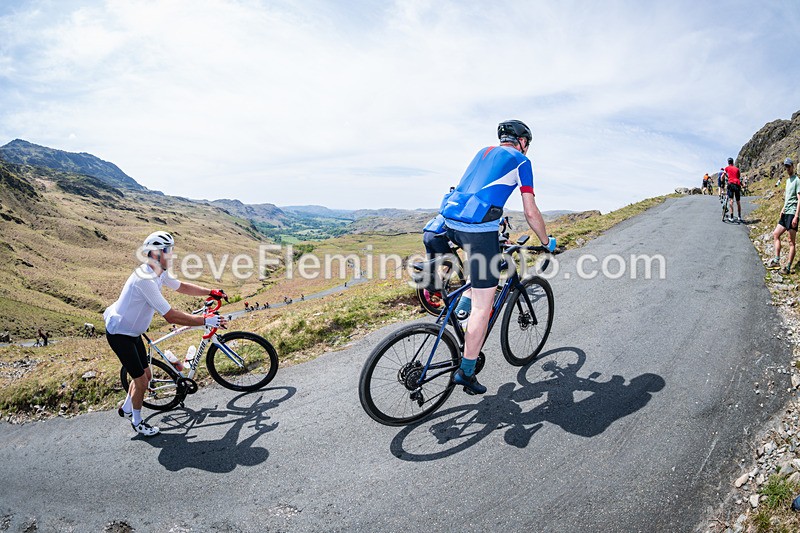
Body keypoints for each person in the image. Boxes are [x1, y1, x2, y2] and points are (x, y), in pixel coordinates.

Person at [438, 119, 556, 395]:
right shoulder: (521, 161)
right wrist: (546, 242)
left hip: (450, 224)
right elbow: (530, 211)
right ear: (523, 142)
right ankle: (466, 371)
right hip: (478, 232)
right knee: (484, 305)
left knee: (479, 275)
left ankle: (460, 312)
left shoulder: (483, 152)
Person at [104, 231, 228, 437]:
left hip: (133, 332)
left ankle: (126, 408)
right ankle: (137, 421)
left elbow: (182, 287)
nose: (171, 254)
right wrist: (205, 320)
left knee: (146, 375)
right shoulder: (144, 279)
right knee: (141, 381)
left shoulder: (158, 271)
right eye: (168, 250)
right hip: (120, 334)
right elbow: (170, 316)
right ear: (155, 253)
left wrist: (209, 291)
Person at [767, 158, 800, 274]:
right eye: (786, 166)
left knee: (791, 242)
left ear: (793, 167)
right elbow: (788, 197)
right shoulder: (787, 181)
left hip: (792, 213)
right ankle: (777, 261)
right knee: (776, 234)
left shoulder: (797, 180)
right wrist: (782, 208)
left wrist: (796, 216)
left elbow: (799, 199)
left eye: (789, 166)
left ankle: (788, 267)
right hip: (785, 212)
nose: (787, 168)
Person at [724, 157, 743, 223]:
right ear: (733, 162)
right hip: (737, 184)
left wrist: (722, 179)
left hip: (731, 184)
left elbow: (723, 175)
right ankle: (739, 217)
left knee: (731, 200)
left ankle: (731, 217)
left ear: (728, 162)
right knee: (738, 201)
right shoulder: (737, 169)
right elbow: (738, 177)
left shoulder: (727, 168)